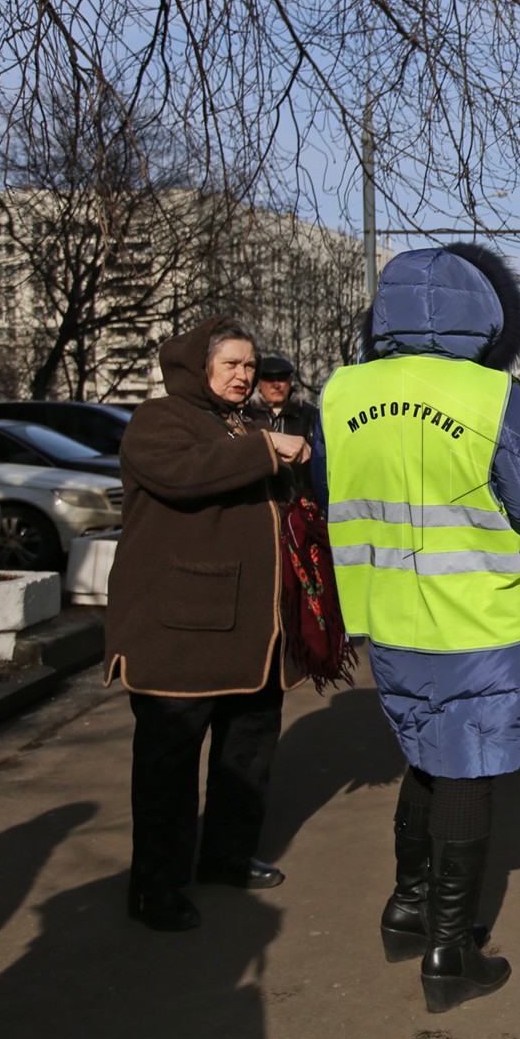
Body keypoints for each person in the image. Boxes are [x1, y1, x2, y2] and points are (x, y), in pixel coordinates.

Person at [313, 242, 520, 1013]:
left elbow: (332, 489)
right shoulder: (490, 393)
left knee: (425, 753)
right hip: (479, 618)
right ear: (479, 314)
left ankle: (406, 908)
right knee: (467, 767)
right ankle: (450, 955)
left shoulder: (339, 393)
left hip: (388, 615)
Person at [105, 316, 313, 932]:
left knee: (247, 750)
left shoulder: (248, 423)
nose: (245, 376)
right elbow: (183, 475)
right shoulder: (159, 419)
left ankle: (225, 855)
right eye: (232, 365)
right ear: (201, 366)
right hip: (180, 630)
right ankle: (155, 886)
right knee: (169, 764)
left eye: (250, 366)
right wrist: (267, 449)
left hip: (253, 628)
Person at [247, 354, 320, 489]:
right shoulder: (246, 415)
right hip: (259, 497)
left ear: (291, 380)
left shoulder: (310, 415)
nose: (276, 385)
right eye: (270, 379)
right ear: (258, 384)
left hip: (299, 498)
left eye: (282, 379)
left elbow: (320, 459)